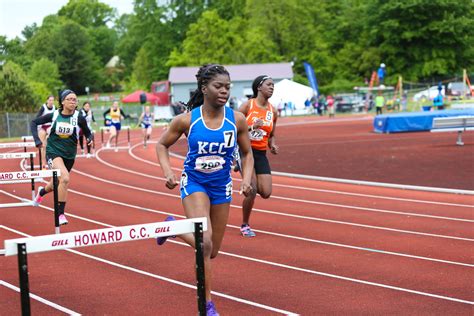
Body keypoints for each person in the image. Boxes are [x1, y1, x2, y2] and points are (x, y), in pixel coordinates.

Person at [155, 64, 253, 316]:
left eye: (227, 87)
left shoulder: (237, 119)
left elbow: (247, 153)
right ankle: (207, 303)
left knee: (212, 251)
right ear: (204, 88)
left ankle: (171, 227)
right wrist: (168, 172)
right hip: (195, 183)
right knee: (205, 244)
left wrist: (246, 179)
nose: (224, 91)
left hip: (222, 186)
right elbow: (161, 145)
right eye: (218, 86)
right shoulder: (188, 120)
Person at [30, 89, 94, 225]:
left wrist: (89, 138)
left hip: (69, 155)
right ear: (63, 102)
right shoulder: (54, 116)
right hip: (53, 152)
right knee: (64, 178)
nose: (73, 101)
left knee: (56, 183)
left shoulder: (79, 117)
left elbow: (88, 132)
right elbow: (34, 122)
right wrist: (37, 140)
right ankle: (60, 214)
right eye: (70, 99)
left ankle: (41, 191)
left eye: (75, 99)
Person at [237, 75, 279, 237]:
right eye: (269, 84)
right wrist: (252, 126)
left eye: (273, 85)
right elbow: (234, 129)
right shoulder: (247, 106)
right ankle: (245, 225)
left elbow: (272, 134)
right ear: (259, 87)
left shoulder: (273, 111)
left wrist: (272, 144)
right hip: (245, 151)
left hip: (261, 153)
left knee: (266, 192)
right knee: (252, 190)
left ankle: (243, 173)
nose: (272, 88)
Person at [35, 95, 56, 169]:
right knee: (42, 146)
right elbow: (37, 118)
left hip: (50, 126)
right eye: (50, 100)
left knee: (50, 143)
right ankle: (43, 164)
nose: (51, 102)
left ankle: (52, 161)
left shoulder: (54, 108)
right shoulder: (43, 107)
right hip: (43, 126)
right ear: (47, 101)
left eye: (52, 100)